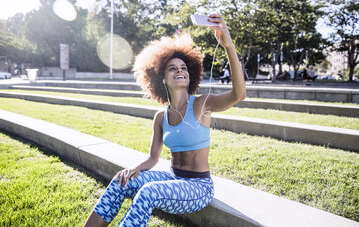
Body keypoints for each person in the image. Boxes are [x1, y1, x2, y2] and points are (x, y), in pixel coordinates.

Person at [83, 14, 246, 227]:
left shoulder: (202, 104)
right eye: (173, 68)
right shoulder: (161, 117)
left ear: (190, 75)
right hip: (172, 178)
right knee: (120, 181)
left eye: (184, 68)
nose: (180, 70)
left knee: (148, 192)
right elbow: (153, 158)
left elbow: (238, 95)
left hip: (199, 187)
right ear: (162, 78)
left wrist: (228, 45)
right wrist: (136, 168)